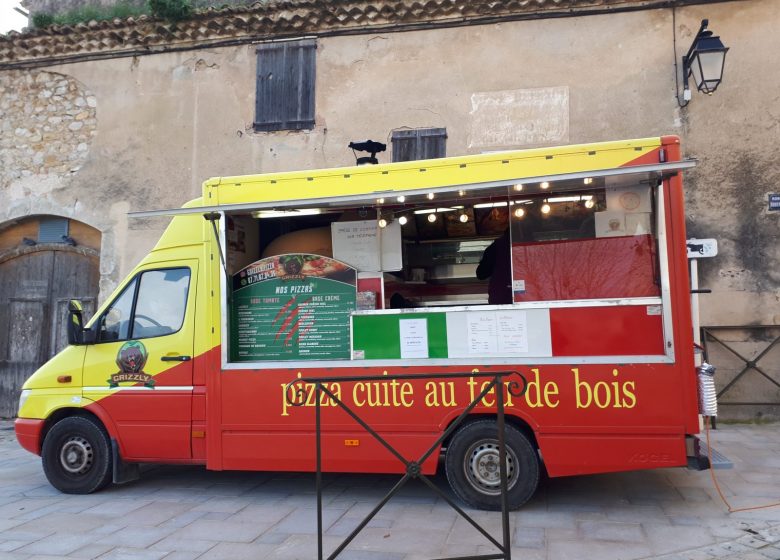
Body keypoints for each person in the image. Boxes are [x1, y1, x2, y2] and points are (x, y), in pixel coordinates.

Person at [476, 228, 512, 304]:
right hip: (529, 297)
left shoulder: (495, 247)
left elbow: (481, 274)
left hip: (501, 298)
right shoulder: (532, 246)